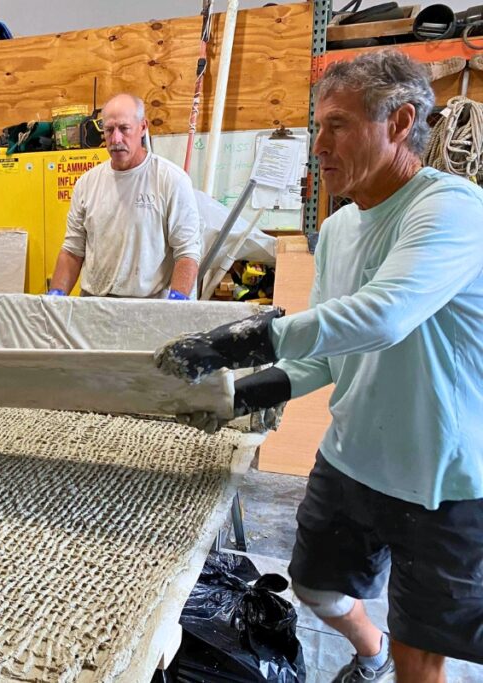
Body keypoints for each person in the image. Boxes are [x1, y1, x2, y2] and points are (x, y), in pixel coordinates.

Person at [154, 51, 483, 683]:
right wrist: (237, 396)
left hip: (444, 480)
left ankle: (399, 658)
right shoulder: (337, 231)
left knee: (424, 655)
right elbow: (332, 353)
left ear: (398, 121)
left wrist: (241, 342)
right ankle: (371, 651)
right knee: (314, 587)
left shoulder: (451, 211)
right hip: (353, 456)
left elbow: (382, 318)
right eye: (317, 127)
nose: (318, 145)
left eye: (336, 125)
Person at [47, 93, 202, 300]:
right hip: (94, 304)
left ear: (143, 127)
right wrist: (56, 298)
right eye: (109, 130)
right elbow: (72, 250)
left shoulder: (171, 181)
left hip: (148, 306)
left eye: (124, 128)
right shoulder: (87, 183)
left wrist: (177, 303)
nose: (116, 139)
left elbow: (187, 252)